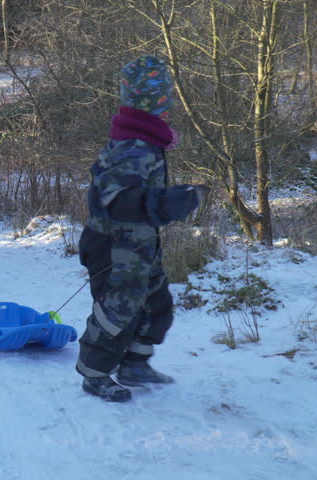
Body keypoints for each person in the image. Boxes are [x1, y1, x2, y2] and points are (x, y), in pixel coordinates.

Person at [75, 55, 206, 402]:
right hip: (113, 246)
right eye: (165, 100)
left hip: (139, 246)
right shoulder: (131, 147)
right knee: (116, 311)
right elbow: (116, 200)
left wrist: (168, 200)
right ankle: (95, 373)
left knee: (155, 306)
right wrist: (166, 203)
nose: (169, 108)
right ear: (153, 103)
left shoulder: (145, 141)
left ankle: (135, 364)